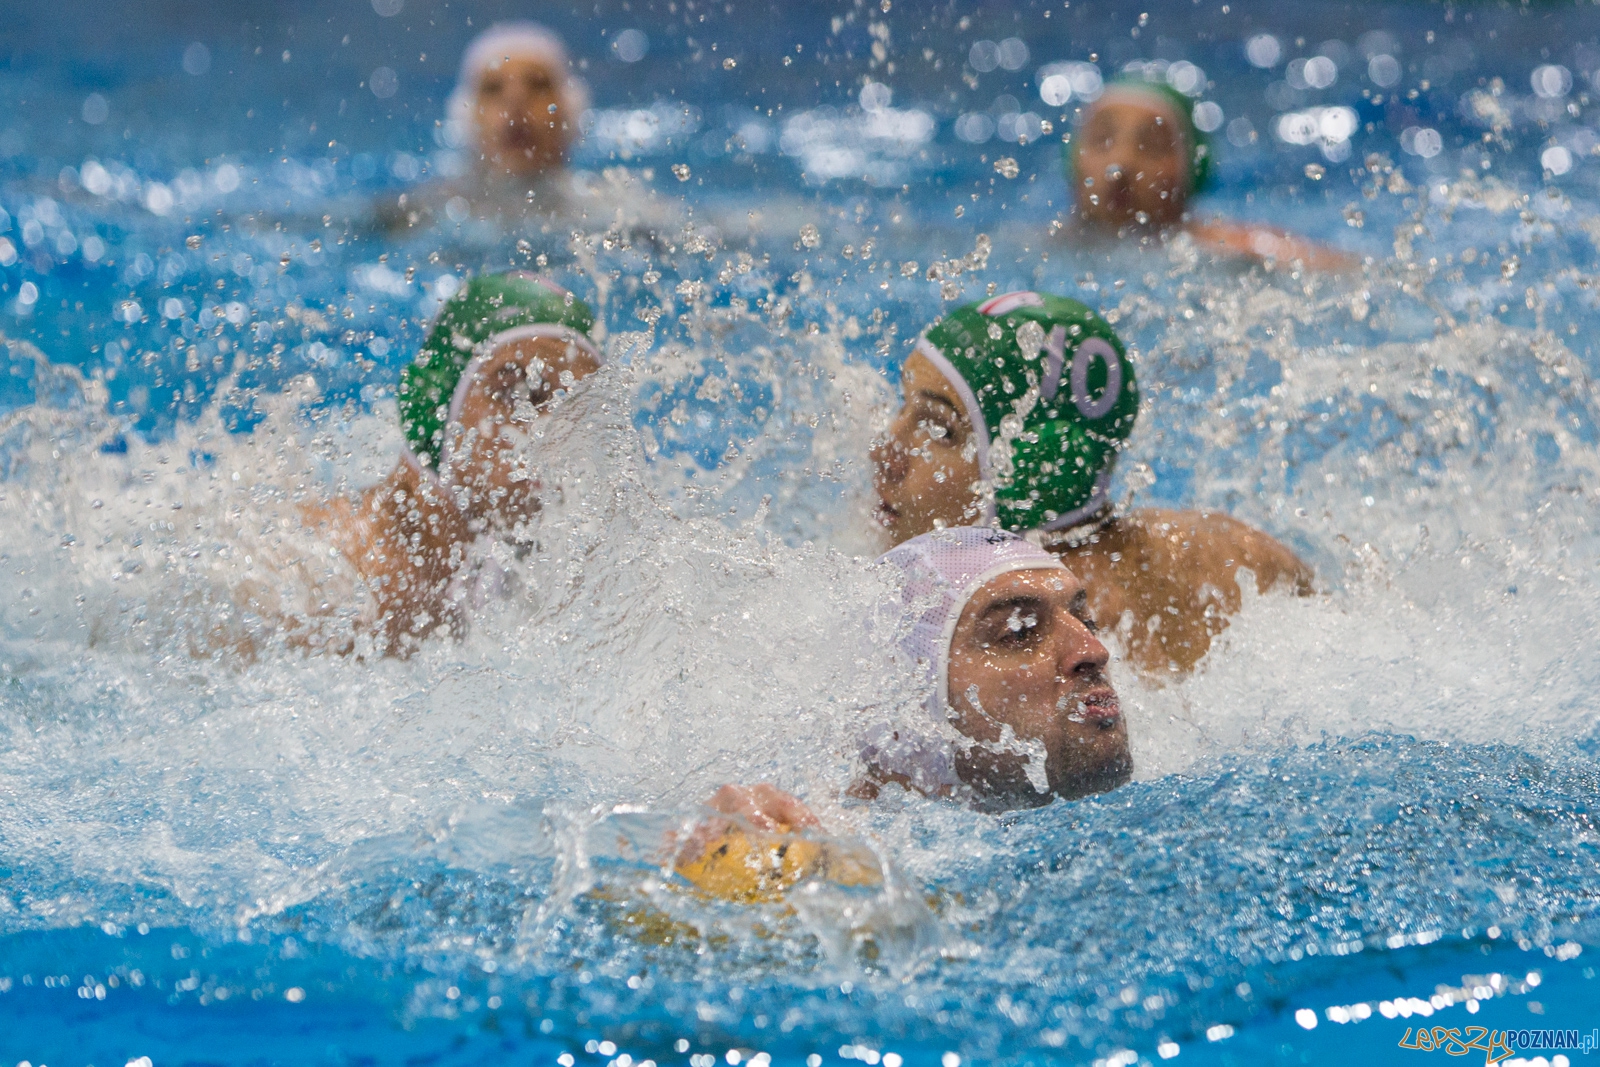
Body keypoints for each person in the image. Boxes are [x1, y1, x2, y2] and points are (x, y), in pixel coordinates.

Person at [870, 290, 1314, 675]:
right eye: (902, 406)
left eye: (937, 429)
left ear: (1034, 468)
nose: (884, 452)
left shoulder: (992, 630)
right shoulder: (1242, 555)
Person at [675, 527, 1129, 896]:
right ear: (912, 709)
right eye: (1018, 631)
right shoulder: (839, 860)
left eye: (1083, 620)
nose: (1093, 650)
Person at [297, 271, 601, 656]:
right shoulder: (331, 573)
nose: (548, 432)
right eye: (517, 393)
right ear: (437, 407)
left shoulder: (569, 570)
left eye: (576, 405)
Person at [1066, 73, 1353, 271]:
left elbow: (1349, 270)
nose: (1121, 164)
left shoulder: (1228, 247)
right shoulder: (1040, 246)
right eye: (1102, 140)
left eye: (1151, 146)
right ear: (1071, 160)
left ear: (1192, 171)